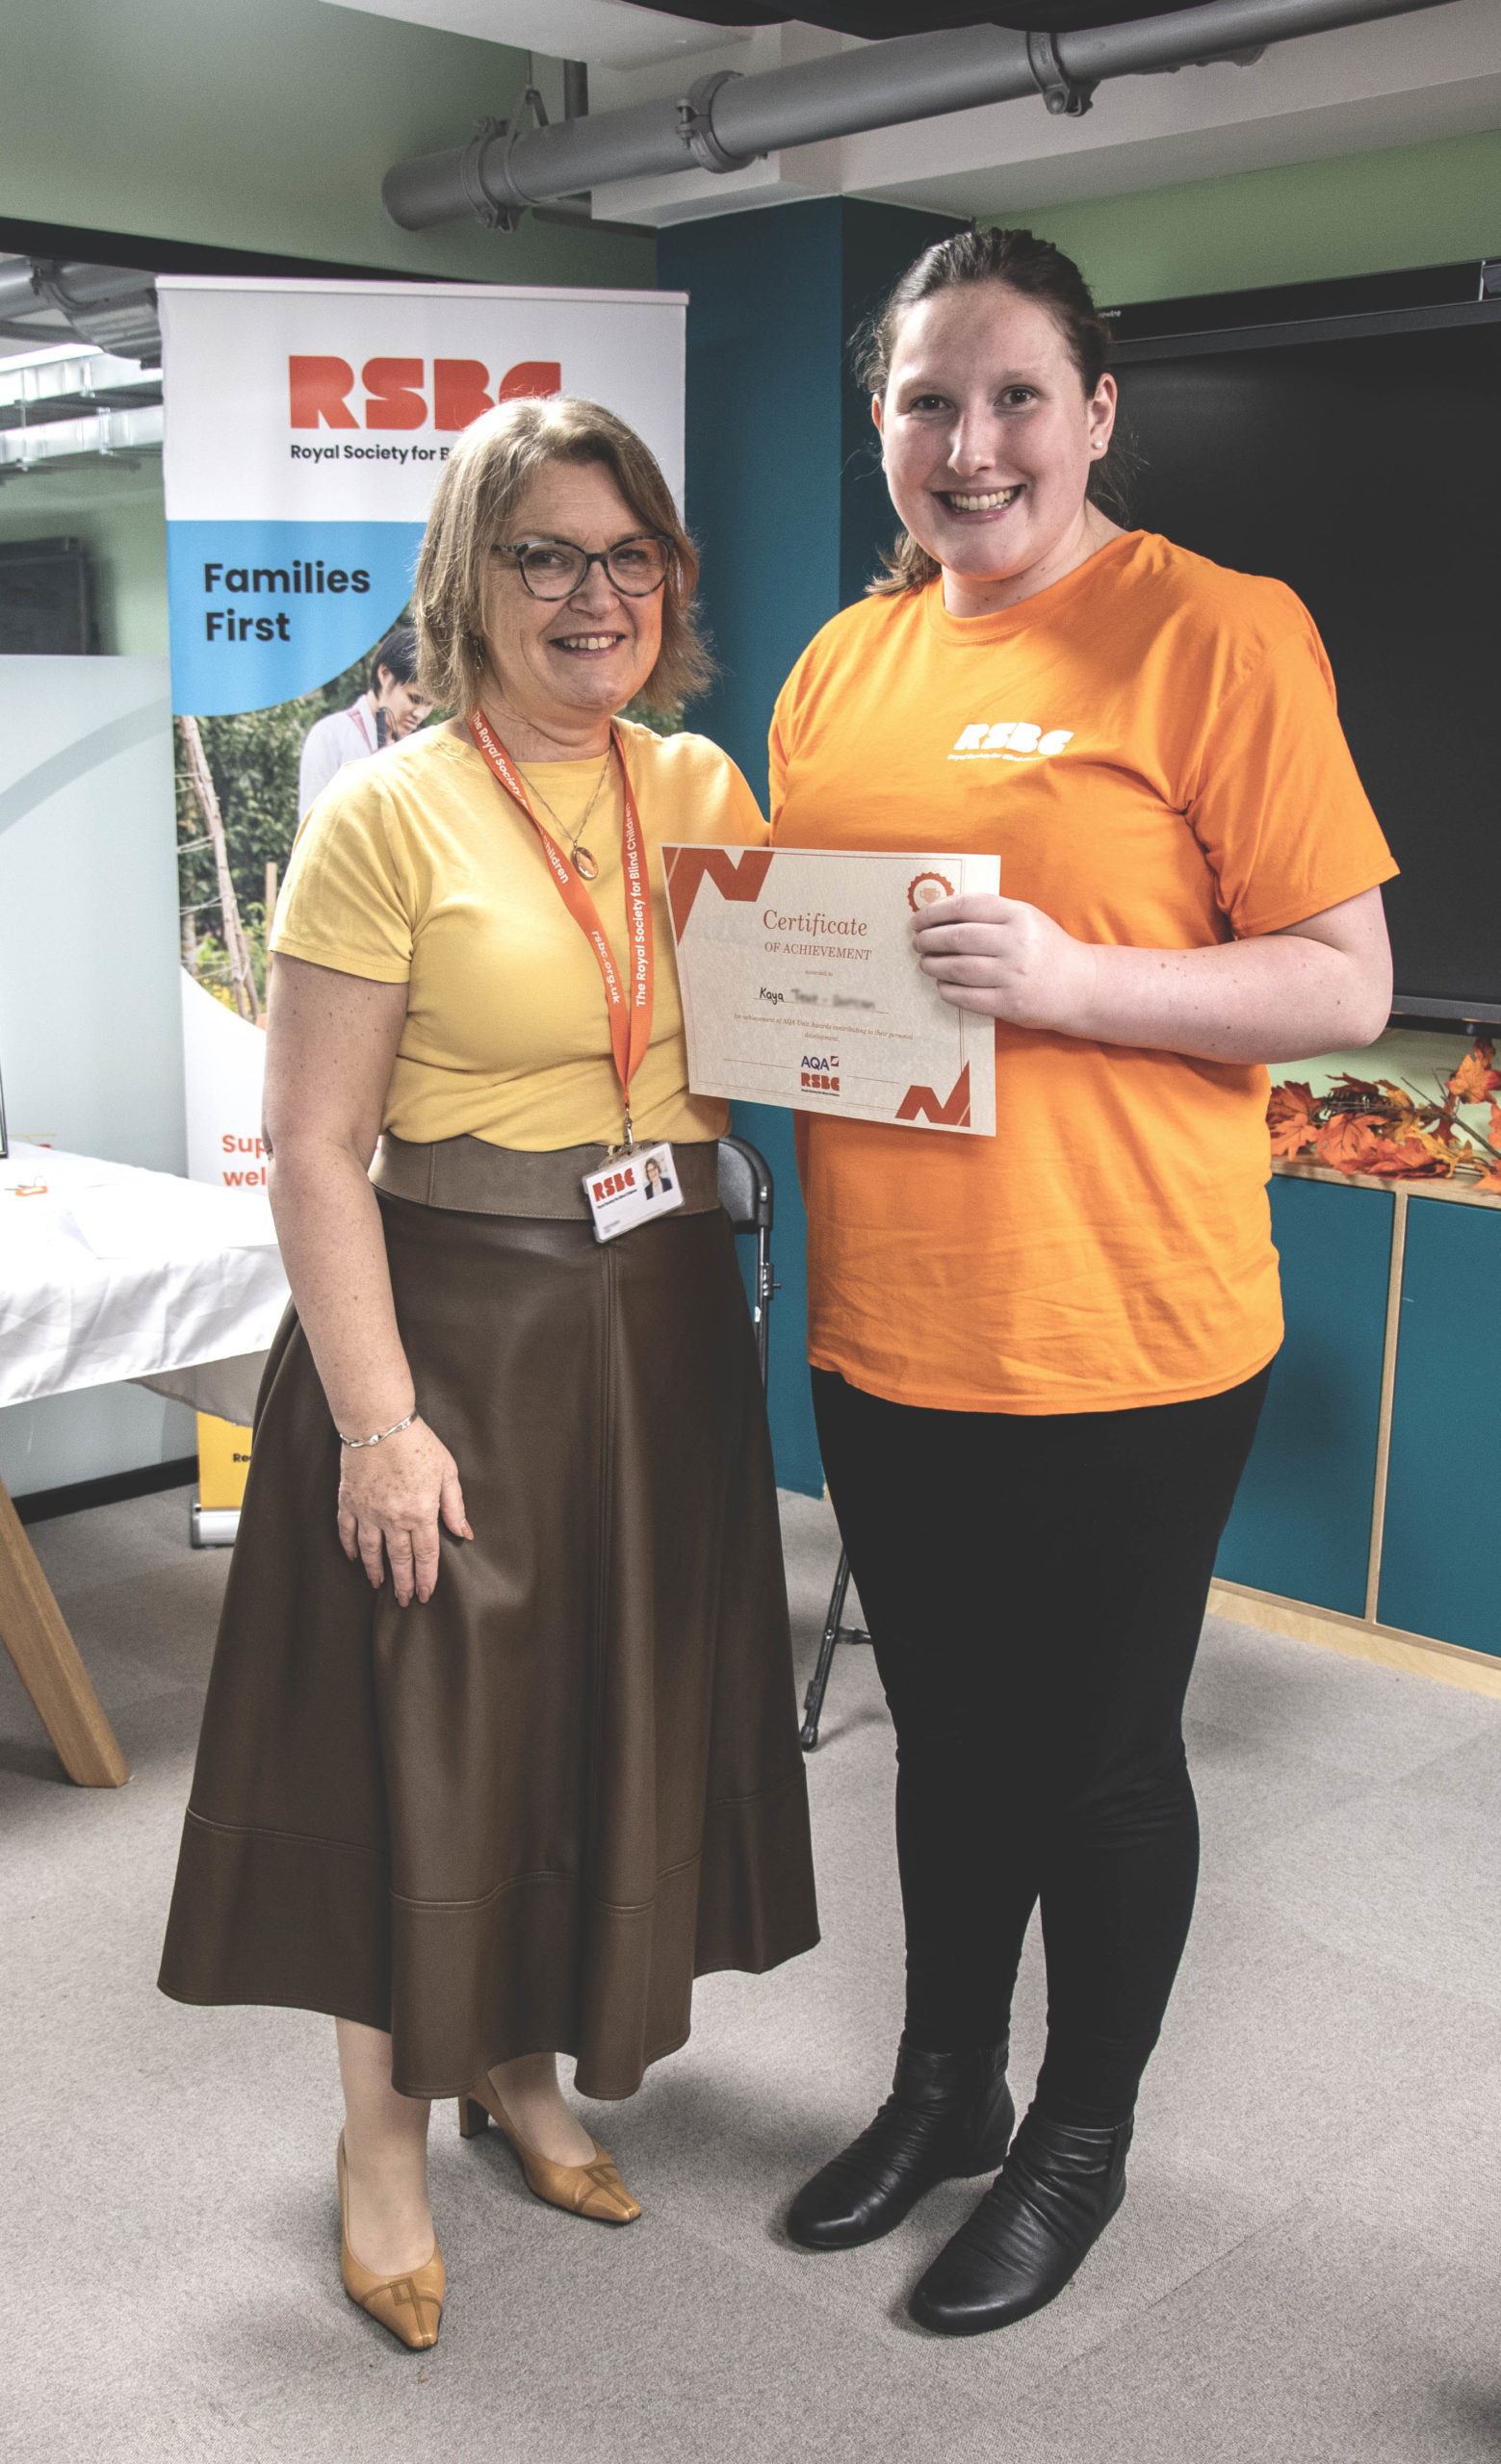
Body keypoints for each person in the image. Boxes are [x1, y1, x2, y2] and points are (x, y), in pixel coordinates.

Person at [773, 228, 1394, 2336]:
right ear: (880, 431)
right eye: (924, 401)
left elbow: (1339, 977)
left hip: (1125, 1321)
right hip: (888, 1316)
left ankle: (1075, 2133)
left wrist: (1072, 979)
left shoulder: (1210, 632)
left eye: (1013, 393)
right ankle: (940, 2082)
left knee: (1098, 1755)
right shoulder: (838, 665)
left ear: (1096, 411)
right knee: (943, 1739)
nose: (969, 443)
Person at [160, 396, 818, 2349]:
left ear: (670, 580)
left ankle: (520, 2072)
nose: (590, 593)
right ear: (470, 578)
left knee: (581, 1728)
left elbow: (791, 1016)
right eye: (543, 552)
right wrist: (375, 1422)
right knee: (427, 1743)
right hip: (450, 1327)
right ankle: (381, 2135)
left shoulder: (699, 787)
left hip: (658, 1320)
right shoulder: (384, 814)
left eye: (628, 553)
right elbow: (307, 1148)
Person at [297, 625, 432, 819]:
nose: (420, 714)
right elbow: (311, 827)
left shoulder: (416, 750)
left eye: (430, 705)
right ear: (384, 674)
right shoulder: (331, 736)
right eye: (415, 698)